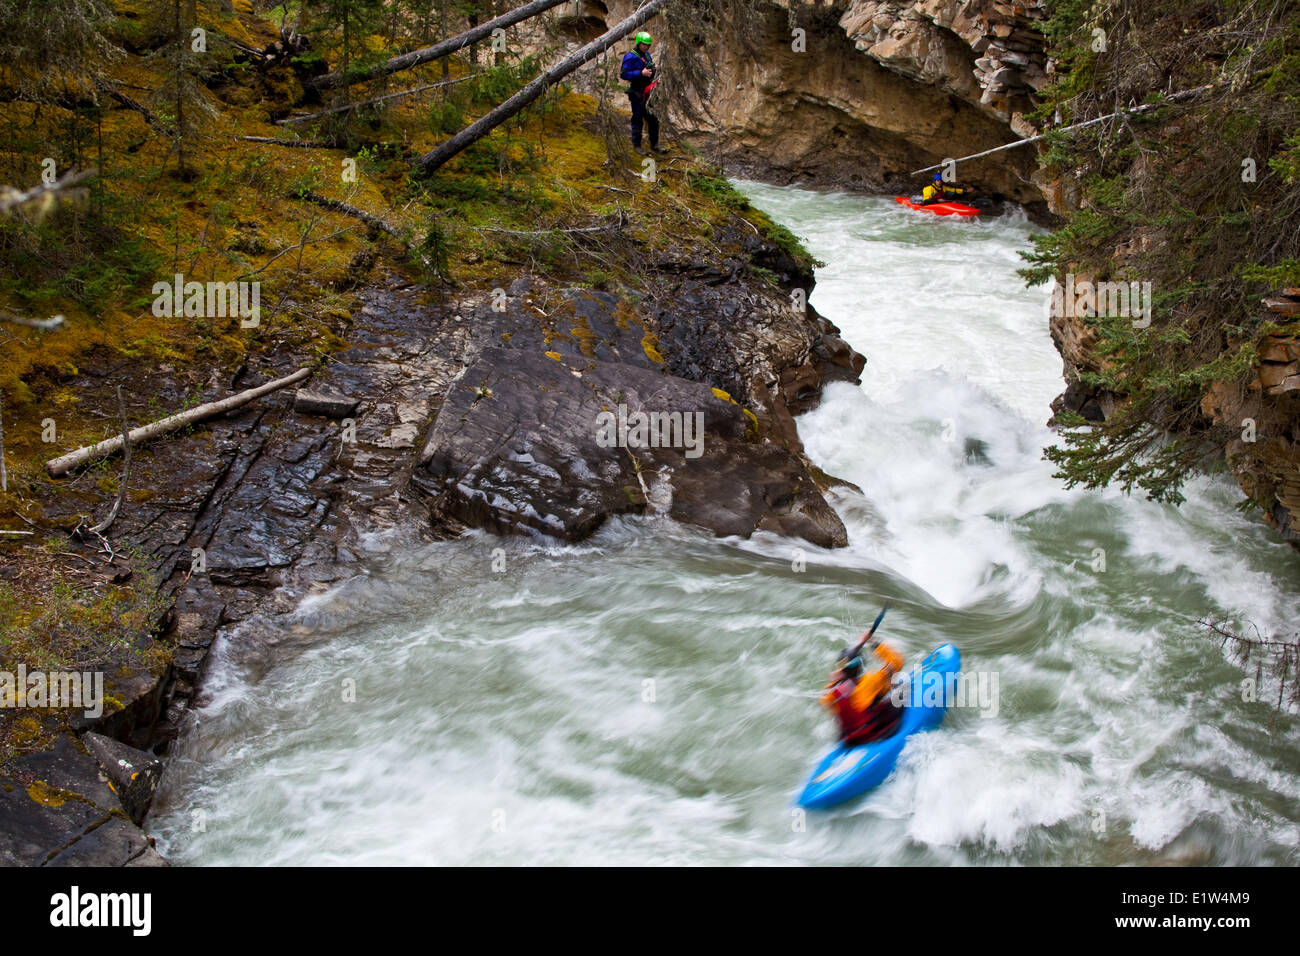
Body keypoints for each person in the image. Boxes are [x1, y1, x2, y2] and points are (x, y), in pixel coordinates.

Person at [820, 639, 904, 746]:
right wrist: (875, 643)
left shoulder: (830, 692)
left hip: (852, 739)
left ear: (840, 670)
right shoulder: (871, 680)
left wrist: (837, 679)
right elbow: (897, 662)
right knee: (899, 687)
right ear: (860, 666)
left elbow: (827, 699)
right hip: (878, 733)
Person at [620, 31, 663, 155]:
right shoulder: (630, 57)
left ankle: (655, 144)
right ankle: (637, 145)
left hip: (648, 91)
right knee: (637, 118)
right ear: (638, 43)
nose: (646, 47)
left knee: (653, 119)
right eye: (644, 44)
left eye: (648, 45)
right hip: (636, 92)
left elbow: (650, 68)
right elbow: (624, 74)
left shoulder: (647, 55)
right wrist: (640, 73)